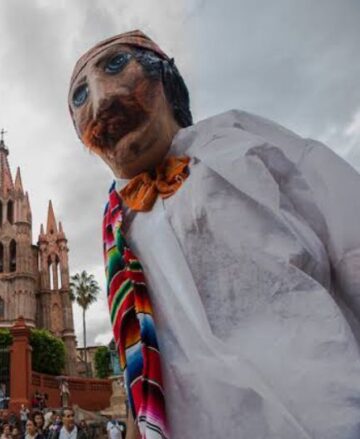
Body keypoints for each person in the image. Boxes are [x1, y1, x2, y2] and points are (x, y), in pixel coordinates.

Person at [68, 30, 360, 439]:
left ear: (164, 76)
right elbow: (141, 363)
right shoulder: (117, 226)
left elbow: (349, 241)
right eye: (80, 96)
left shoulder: (236, 138)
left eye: (116, 65)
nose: (100, 101)